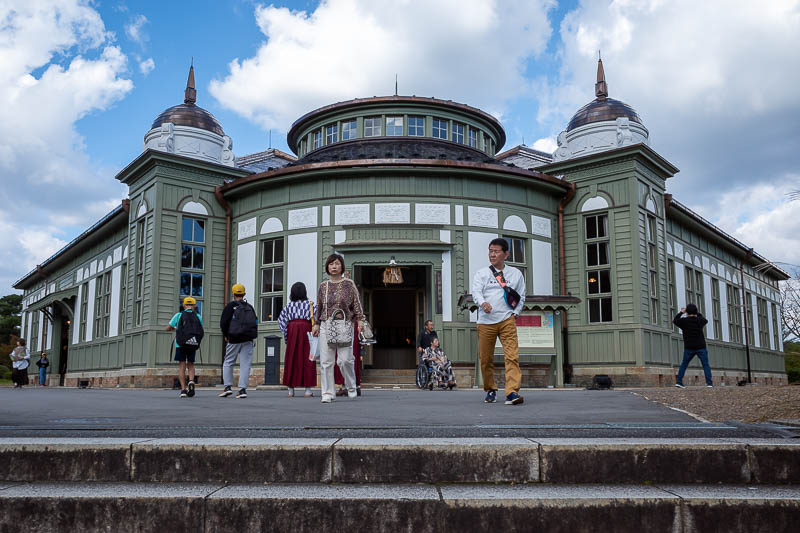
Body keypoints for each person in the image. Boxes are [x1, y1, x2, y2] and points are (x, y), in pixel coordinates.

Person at [471, 238, 526, 405]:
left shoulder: (516, 274)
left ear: (506, 254)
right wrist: (483, 303)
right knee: (486, 358)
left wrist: (514, 314)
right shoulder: (482, 273)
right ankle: (490, 389)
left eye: (496, 251)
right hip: (485, 322)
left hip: (506, 320)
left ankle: (512, 392)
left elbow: (521, 297)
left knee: (512, 357)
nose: (492, 254)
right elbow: (476, 292)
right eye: (490, 251)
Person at [312, 254, 365, 403]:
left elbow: (357, 304)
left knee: (345, 360)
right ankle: (328, 393)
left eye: (336, 263)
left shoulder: (349, 284)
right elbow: (319, 306)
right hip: (326, 325)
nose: (334, 266)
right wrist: (316, 323)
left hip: (345, 325)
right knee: (326, 362)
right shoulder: (323, 286)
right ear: (327, 267)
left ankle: (351, 385)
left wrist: (360, 321)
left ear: (341, 266)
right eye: (331, 264)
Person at [278, 282, 317, 398]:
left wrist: (286, 336)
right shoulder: (311, 305)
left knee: (291, 359)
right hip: (307, 331)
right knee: (308, 359)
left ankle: (291, 390)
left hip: (292, 331)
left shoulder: (288, 307)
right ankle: (308, 390)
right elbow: (317, 319)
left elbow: (281, 321)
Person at [219, 283, 258, 399]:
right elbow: (254, 323)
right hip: (248, 339)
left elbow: (224, 322)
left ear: (233, 294)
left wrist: (226, 335)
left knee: (228, 362)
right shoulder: (249, 307)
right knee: (245, 364)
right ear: (244, 294)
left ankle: (227, 387)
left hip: (234, 338)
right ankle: (242, 389)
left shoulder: (230, 306)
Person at [166, 297, 204, 398]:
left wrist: (176, 329)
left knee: (182, 366)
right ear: (195, 306)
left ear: (183, 305)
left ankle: (183, 390)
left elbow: (168, 328)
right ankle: (191, 381)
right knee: (191, 365)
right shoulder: (198, 316)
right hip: (193, 344)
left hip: (181, 344)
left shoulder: (179, 315)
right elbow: (200, 330)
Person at [673, 304, 713, 388]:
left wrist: (681, 312)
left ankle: (679, 381)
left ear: (687, 312)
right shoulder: (699, 321)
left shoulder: (684, 321)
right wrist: (697, 313)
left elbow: (675, 320)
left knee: (684, 364)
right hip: (701, 346)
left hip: (689, 347)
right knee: (705, 365)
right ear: (695, 311)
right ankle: (709, 383)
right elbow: (705, 320)